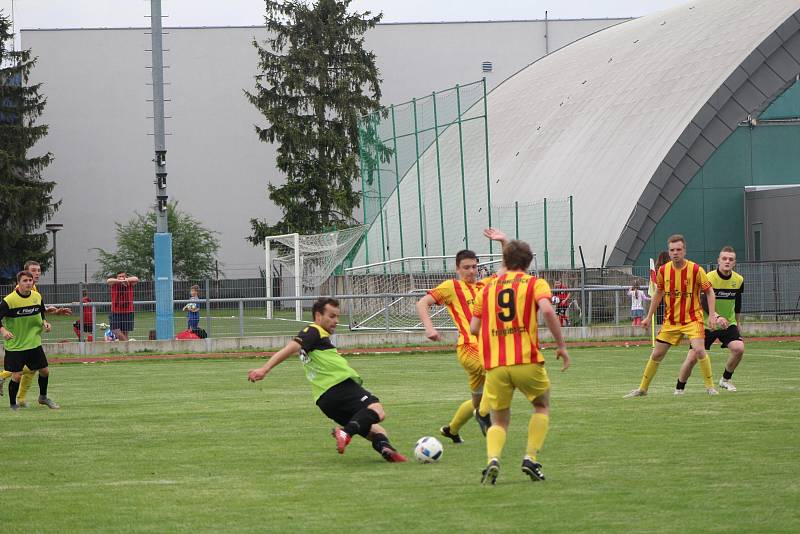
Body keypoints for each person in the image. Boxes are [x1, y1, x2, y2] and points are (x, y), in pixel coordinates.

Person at [248, 297, 407, 462]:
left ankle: (387, 450)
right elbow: (292, 347)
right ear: (318, 316)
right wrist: (264, 369)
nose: (336, 321)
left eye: (337, 317)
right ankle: (346, 432)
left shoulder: (318, 335)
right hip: (339, 386)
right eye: (331, 316)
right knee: (377, 410)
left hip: (325, 400)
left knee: (375, 430)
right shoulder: (313, 330)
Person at [469, 240, 571, 485]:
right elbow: (547, 311)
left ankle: (492, 459)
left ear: (504, 261)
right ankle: (530, 457)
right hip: (526, 360)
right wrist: (561, 345)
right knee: (541, 405)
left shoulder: (487, 288)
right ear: (528, 262)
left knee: (499, 420)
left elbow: (474, 328)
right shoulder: (535, 283)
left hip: (496, 365)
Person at [415, 245, 498, 444]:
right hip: (469, 348)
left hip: (485, 348)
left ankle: (451, 430)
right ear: (457, 269)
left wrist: (503, 241)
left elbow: (506, 269)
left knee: (477, 401)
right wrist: (429, 328)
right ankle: (484, 416)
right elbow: (422, 303)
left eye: (474, 267)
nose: (471, 271)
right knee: (499, 375)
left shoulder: (484, 285)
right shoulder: (451, 286)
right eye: (466, 267)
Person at [624, 235, 723, 398]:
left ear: (684, 251)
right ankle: (642, 389)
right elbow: (658, 293)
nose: (675, 253)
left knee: (699, 350)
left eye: (678, 249)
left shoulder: (696, 270)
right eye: (672, 250)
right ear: (669, 252)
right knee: (656, 354)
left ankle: (710, 387)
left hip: (693, 319)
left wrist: (712, 315)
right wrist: (649, 317)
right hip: (671, 321)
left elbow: (709, 292)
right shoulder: (663, 271)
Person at [676, 246, 745, 393]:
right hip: (705, 324)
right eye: (724, 259)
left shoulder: (739, 280)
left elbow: (738, 302)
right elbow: (702, 300)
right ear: (718, 261)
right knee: (692, 357)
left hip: (728, 323)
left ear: (734, 263)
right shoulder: (709, 277)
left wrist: (737, 323)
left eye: (730, 259)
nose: (727, 261)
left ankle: (725, 380)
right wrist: (716, 316)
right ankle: (679, 389)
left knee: (739, 348)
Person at [0, 260, 69, 403]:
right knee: (23, 371)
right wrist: (4, 330)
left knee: (33, 370)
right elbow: (22, 308)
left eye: (38, 270)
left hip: (33, 338)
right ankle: (5, 381)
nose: (36, 273)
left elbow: (38, 309)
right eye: (33, 270)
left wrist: (54, 313)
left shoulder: (34, 290)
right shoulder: (17, 293)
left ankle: (21, 399)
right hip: (19, 341)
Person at [107, 272, 139, 341]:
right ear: (117, 277)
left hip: (128, 311)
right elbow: (108, 280)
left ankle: (126, 350)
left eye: (123, 276)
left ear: (126, 277)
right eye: (119, 276)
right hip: (115, 312)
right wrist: (120, 281)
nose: (121, 277)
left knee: (125, 333)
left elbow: (136, 279)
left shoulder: (129, 283)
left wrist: (125, 280)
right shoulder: (114, 284)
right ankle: (128, 346)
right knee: (115, 330)